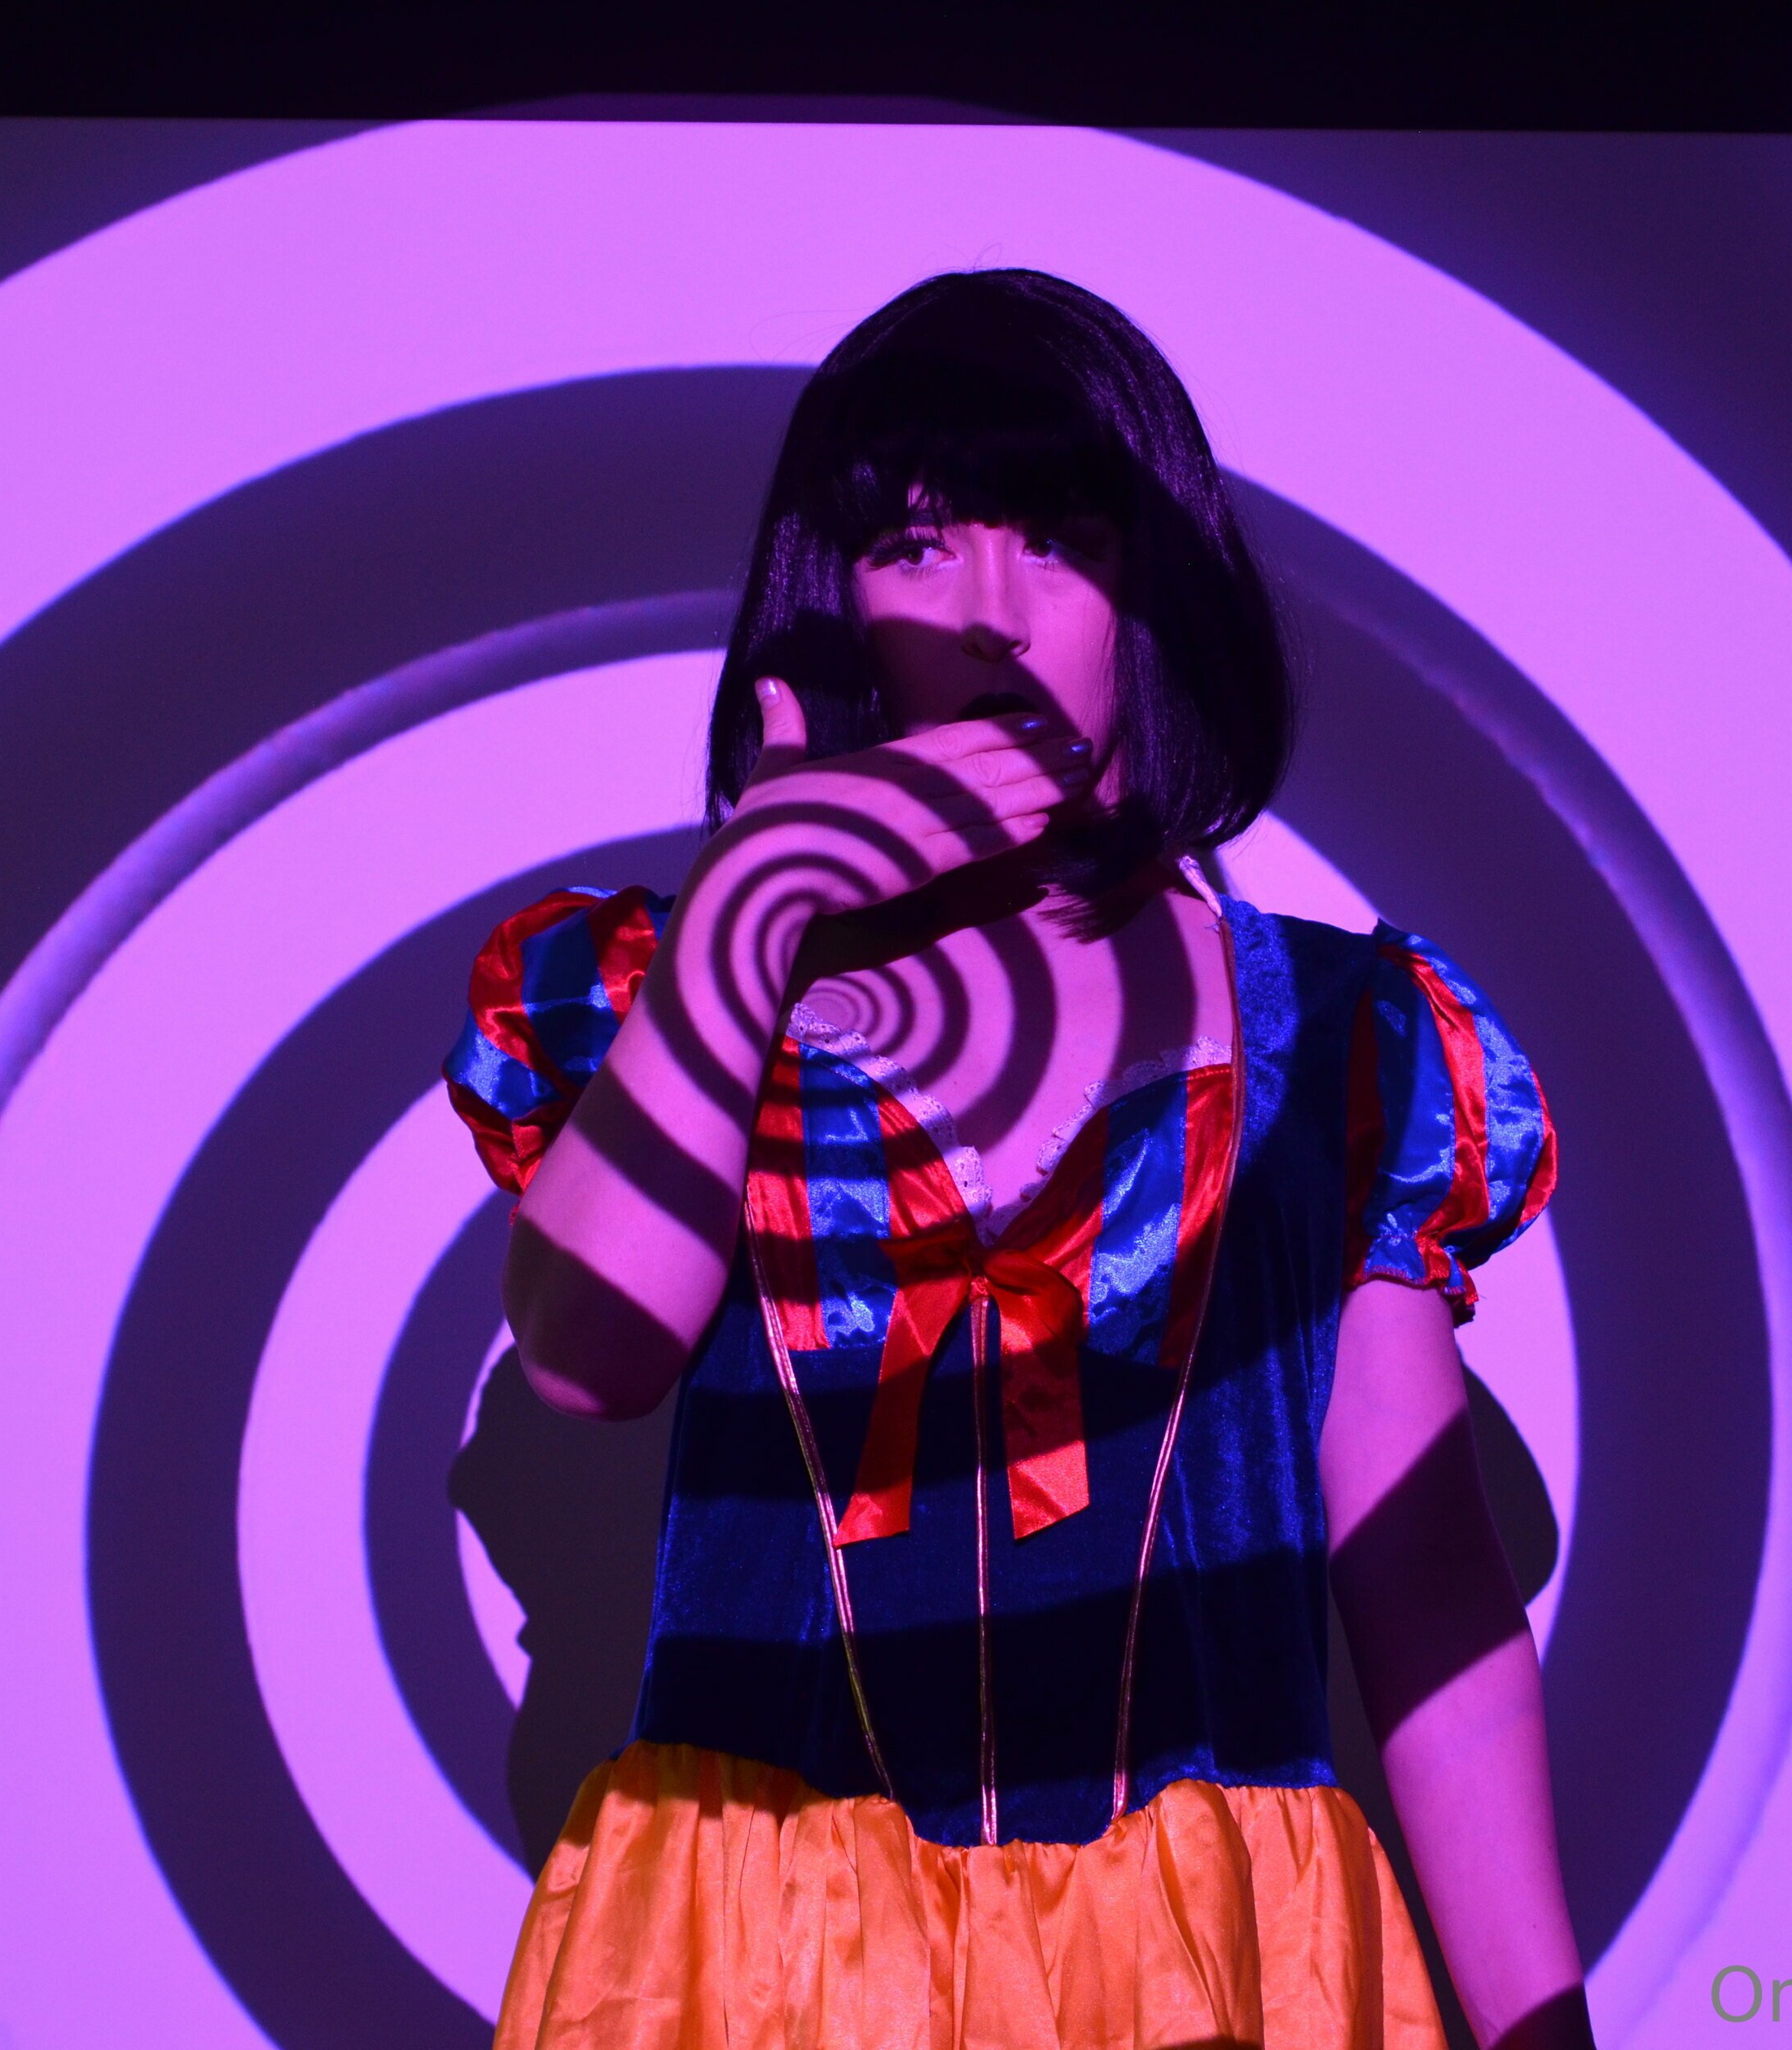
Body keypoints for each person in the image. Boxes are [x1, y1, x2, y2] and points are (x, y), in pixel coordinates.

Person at [444, 268, 1587, 2050]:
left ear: (1153, 594)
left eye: (1061, 541)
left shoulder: (1345, 1032)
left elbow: (1430, 1595)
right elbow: (591, 1356)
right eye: (915, 545)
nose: (991, 616)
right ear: (830, 604)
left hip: (1211, 1963)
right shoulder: (672, 990)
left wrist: (1545, 2034)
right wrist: (756, 900)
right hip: (758, 1961)